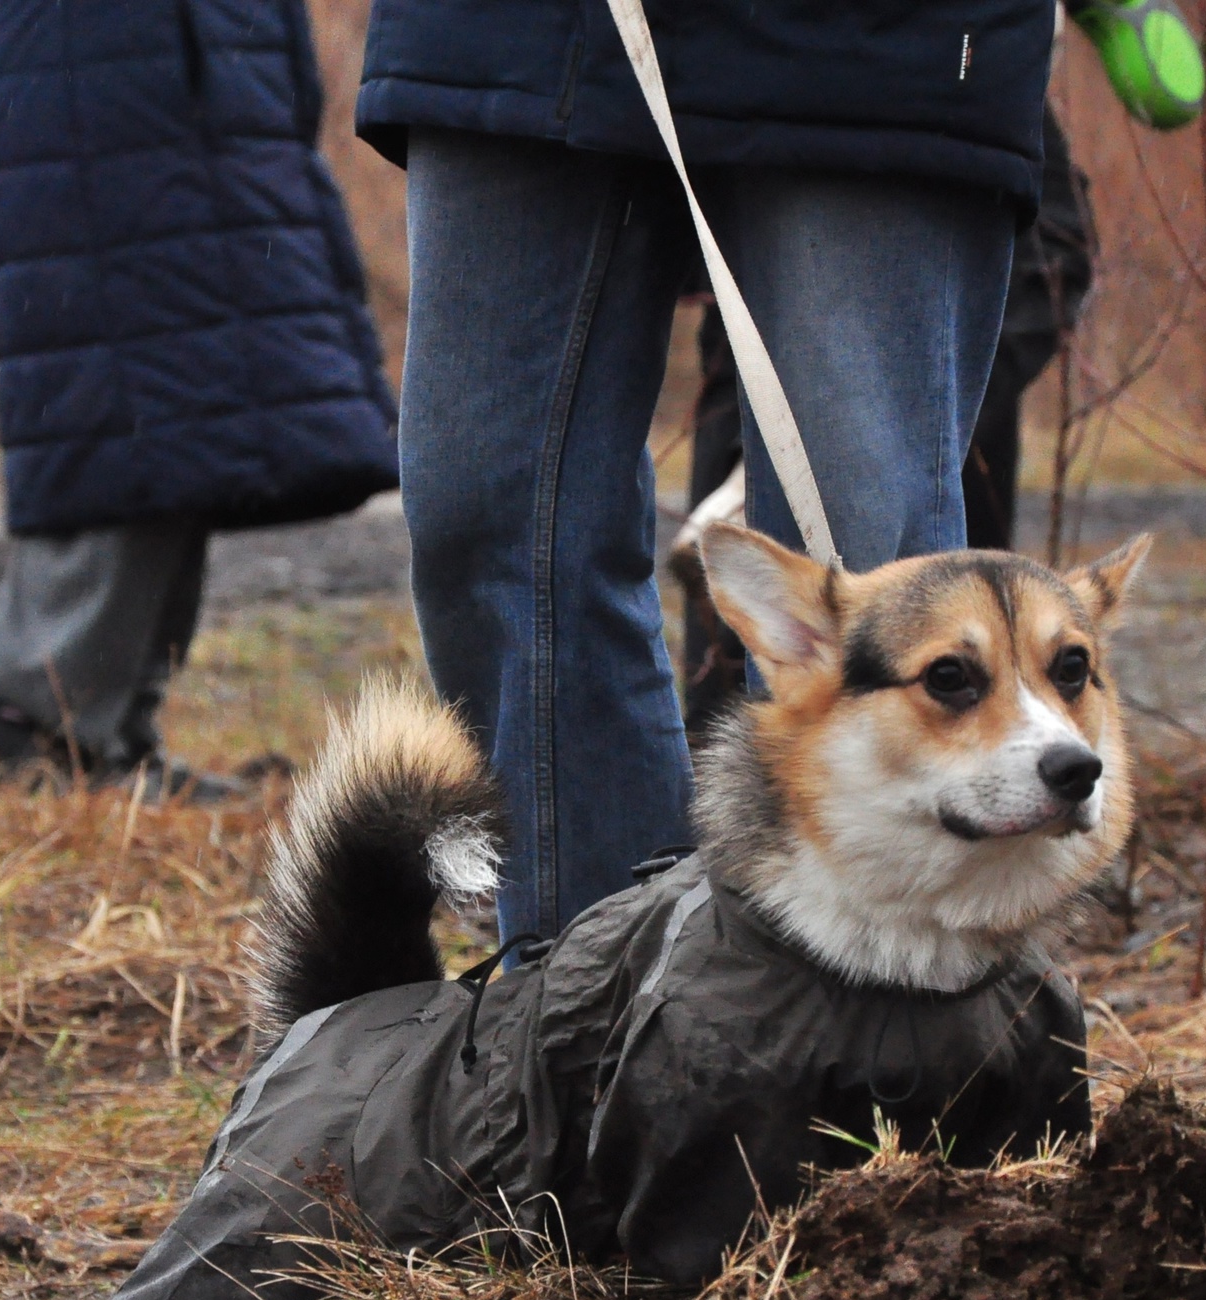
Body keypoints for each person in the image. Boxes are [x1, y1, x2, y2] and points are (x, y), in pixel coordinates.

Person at [362, 0, 1062, 944]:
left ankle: (875, 1040)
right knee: (486, 521)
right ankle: (590, 1001)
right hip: (522, 33)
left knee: (862, 566)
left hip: (876, 49)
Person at [0, 0, 401, 795]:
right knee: (123, 404)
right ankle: (32, 728)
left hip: (182, 78)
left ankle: (109, 732)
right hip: (115, 83)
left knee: (185, 416)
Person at [677, 121, 1099, 736]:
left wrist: (920, 425)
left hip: (926, 471)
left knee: (935, 712)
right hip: (739, 443)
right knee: (723, 720)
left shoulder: (985, 81)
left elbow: (1055, 263)